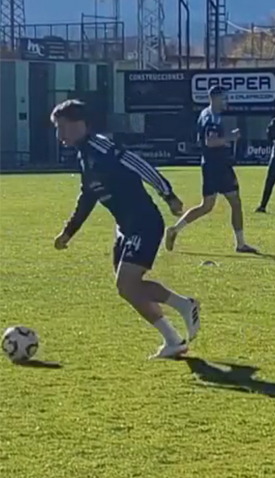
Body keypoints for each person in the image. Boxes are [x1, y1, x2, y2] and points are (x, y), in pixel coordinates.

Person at [50, 99, 200, 359]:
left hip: (144, 222)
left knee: (128, 283)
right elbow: (88, 197)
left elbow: (138, 164)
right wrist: (68, 232)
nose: (59, 134)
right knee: (127, 289)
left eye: (61, 127)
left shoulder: (101, 146)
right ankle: (174, 338)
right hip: (125, 228)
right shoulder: (84, 156)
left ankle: (184, 307)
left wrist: (168, 194)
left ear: (79, 124)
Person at [165, 85, 257, 253]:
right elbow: (211, 142)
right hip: (218, 165)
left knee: (207, 206)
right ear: (215, 98)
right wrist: (231, 137)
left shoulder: (205, 113)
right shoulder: (212, 118)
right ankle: (241, 244)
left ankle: (174, 230)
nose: (226, 101)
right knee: (235, 202)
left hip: (211, 164)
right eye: (224, 98)